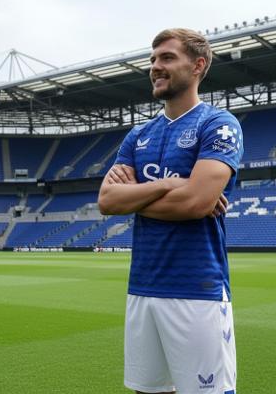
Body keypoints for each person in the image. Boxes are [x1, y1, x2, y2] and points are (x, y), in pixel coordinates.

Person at [98, 28, 243, 394]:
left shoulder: (218, 124)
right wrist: (170, 184)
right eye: (152, 59)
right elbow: (107, 202)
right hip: (142, 288)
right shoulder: (138, 135)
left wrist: (136, 197)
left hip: (196, 289)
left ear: (198, 65)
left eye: (166, 57)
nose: (155, 66)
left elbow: (195, 203)